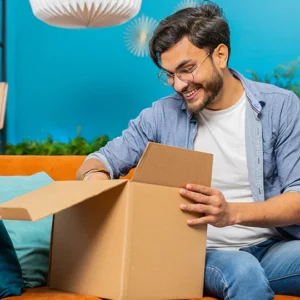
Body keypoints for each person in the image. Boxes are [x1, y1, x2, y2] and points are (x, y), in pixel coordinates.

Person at [76, 2, 300, 299]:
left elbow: (297, 198)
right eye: (169, 74)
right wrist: (99, 188)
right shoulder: (161, 116)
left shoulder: (281, 107)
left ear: (220, 55)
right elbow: (96, 162)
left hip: (273, 248)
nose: (178, 85)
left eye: (187, 69)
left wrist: (231, 213)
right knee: (245, 272)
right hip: (200, 253)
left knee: (252, 268)